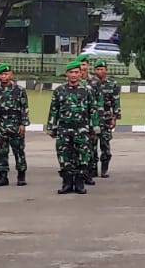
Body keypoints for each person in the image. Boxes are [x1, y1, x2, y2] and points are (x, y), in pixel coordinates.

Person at [47, 59, 101, 195]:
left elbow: (93, 110)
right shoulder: (59, 91)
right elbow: (54, 109)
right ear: (66, 74)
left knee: (82, 156)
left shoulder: (87, 91)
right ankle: (66, 182)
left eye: (76, 72)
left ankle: (79, 182)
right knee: (64, 156)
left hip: (81, 128)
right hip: (64, 128)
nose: (74, 75)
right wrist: (51, 126)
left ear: (80, 74)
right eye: (71, 72)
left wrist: (95, 126)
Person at [0, 62, 30, 188]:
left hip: (15, 122)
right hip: (1, 123)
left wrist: (23, 124)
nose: (4, 76)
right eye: (1, 74)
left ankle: (21, 175)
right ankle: (2, 176)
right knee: (1, 151)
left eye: (6, 74)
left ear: (11, 74)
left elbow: (24, 108)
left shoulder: (19, 91)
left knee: (19, 150)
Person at [88, 59, 120, 179]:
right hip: (93, 117)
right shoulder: (90, 84)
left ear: (106, 70)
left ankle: (105, 169)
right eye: (97, 69)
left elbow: (116, 101)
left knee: (105, 145)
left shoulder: (112, 84)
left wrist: (115, 117)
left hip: (106, 117)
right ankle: (93, 169)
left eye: (102, 69)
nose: (100, 71)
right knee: (92, 145)